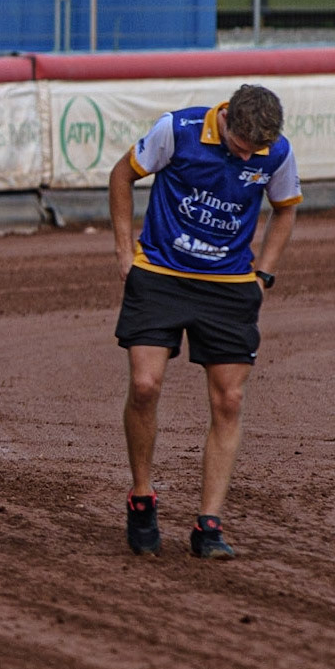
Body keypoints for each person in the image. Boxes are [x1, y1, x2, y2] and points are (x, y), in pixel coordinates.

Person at [109, 84, 300, 559]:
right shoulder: (178, 129)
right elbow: (121, 175)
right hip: (159, 274)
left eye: (255, 151)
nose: (247, 156)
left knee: (230, 399)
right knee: (146, 385)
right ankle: (141, 495)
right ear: (227, 121)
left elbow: (286, 209)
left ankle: (208, 524)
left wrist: (265, 273)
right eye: (240, 147)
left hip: (230, 285)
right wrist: (122, 250)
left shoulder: (276, 152)